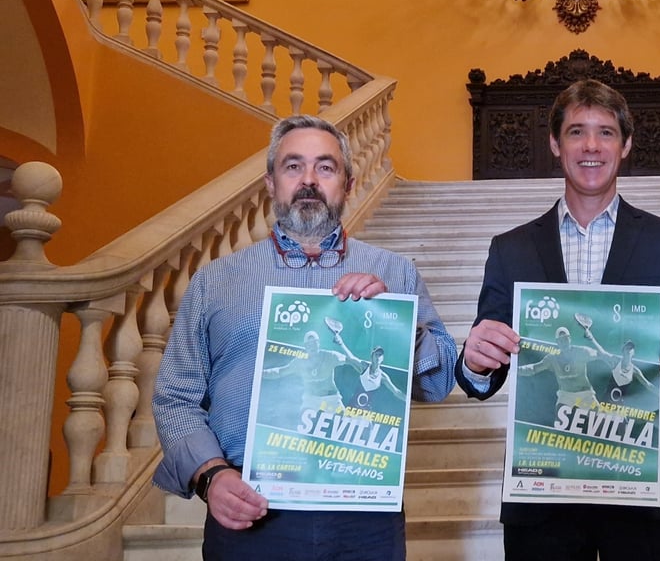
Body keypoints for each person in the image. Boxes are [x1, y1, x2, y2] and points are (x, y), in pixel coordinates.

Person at [152, 115, 457, 561]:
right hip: (250, 510)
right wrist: (211, 475)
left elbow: (439, 382)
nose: (309, 180)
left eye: (325, 167)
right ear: (271, 183)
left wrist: (395, 324)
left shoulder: (395, 272)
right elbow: (175, 397)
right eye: (293, 166)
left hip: (365, 513)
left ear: (348, 185)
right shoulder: (215, 281)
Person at [454, 79, 660, 561]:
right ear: (554, 144)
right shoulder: (510, 249)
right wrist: (475, 362)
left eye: (605, 132)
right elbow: (486, 368)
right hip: (544, 492)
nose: (591, 146)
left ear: (625, 145)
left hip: (646, 489)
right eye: (576, 131)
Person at [261, 329, 363, 415]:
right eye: (309, 344)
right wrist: (261, 373)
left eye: (314, 342)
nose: (312, 346)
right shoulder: (299, 362)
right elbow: (280, 371)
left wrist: (341, 344)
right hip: (311, 400)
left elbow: (352, 360)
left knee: (343, 421)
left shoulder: (330, 356)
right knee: (302, 426)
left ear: (318, 343)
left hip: (331, 399)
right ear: (305, 346)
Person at [517, 325, 602, 409]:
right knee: (560, 412)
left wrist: (592, 339)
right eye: (560, 340)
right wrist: (515, 369)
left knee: (598, 415)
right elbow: (534, 368)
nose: (563, 342)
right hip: (566, 396)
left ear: (569, 339)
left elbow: (600, 354)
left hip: (585, 395)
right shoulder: (552, 358)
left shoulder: (581, 352)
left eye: (565, 338)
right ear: (557, 342)